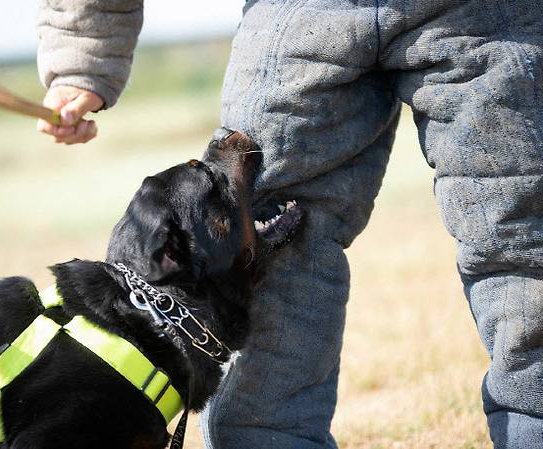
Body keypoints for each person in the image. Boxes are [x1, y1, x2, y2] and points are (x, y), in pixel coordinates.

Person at [36, 1, 543, 448]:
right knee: (250, 241)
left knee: (523, 239)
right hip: (304, 16)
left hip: (481, 13)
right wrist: (82, 57)